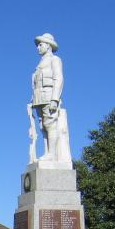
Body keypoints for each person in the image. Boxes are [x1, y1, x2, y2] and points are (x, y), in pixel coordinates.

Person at [31, 33, 63, 161]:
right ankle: (47, 152)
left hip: (49, 96)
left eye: (40, 44)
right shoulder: (40, 63)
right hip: (39, 98)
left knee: (50, 124)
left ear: (48, 46)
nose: (38, 47)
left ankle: (52, 153)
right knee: (43, 126)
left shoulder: (55, 60)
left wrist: (55, 98)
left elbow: (59, 78)